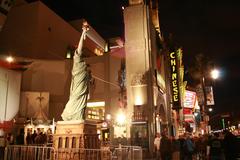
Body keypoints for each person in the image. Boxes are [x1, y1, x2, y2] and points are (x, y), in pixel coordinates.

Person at [61, 22, 90, 121]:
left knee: (80, 99)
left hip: (82, 86)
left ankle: (77, 115)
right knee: (76, 97)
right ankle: (68, 113)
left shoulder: (82, 64)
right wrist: (83, 33)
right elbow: (80, 47)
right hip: (78, 85)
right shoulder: (77, 60)